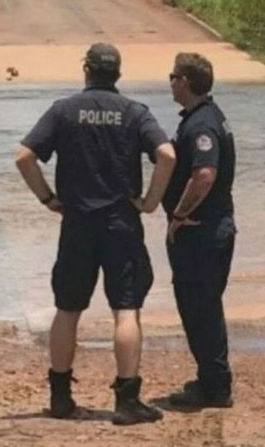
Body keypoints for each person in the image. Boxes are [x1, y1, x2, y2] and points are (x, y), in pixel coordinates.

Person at [15, 43, 175, 425]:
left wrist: (47, 198)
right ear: (118, 73)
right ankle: (127, 400)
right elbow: (167, 154)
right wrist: (151, 202)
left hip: (77, 223)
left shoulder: (64, 111)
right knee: (126, 309)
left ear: (86, 70)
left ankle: (60, 397)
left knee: (68, 309)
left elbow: (23, 156)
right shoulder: (135, 113)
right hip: (121, 223)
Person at [162, 52, 237, 408]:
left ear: (185, 82)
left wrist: (178, 214)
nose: (170, 81)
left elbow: (204, 175)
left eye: (173, 76)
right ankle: (211, 379)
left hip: (201, 231)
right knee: (204, 306)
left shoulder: (202, 125)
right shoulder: (204, 117)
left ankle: (215, 386)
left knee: (199, 307)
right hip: (211, 228)